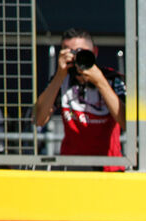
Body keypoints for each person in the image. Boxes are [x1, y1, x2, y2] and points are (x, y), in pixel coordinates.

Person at [32, 28, 126, 170]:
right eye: (69, 51)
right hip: (72, 167)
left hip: (109, 168)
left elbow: (127, 122)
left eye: (81, 52)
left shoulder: (112, 79)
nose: (76, 57)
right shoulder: (61, 80)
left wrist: (100, 81)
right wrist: (59, 75)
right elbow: (39, 119)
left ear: (94, 52)